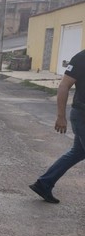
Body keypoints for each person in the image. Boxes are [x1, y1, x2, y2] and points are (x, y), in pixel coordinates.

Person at [29, 49, 85, 204]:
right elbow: (64, 86)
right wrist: (61, 116)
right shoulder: (81, 58)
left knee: (77, 153)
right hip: (82, 115)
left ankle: (44, 184)